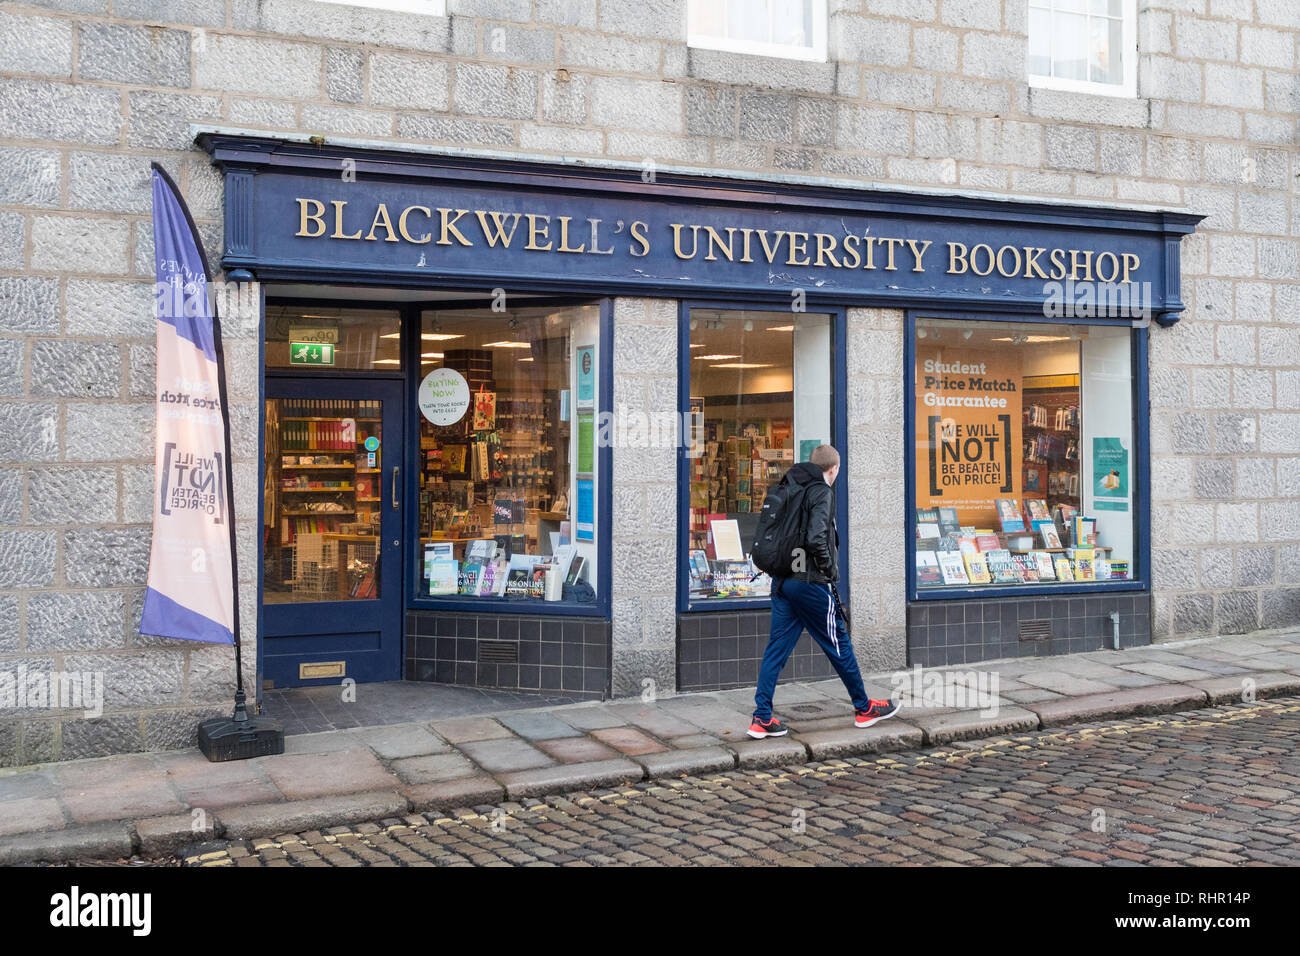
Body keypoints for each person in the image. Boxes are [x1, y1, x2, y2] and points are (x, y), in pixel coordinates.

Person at [747, 444, 900, 739]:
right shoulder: (821, 491)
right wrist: (829, 571)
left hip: (783, 581)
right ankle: (864, 708)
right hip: (809, 583)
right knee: (839, 642)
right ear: (834, 469)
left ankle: (761, 717)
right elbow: (817, 537)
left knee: (775, 650)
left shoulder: (789, 485)